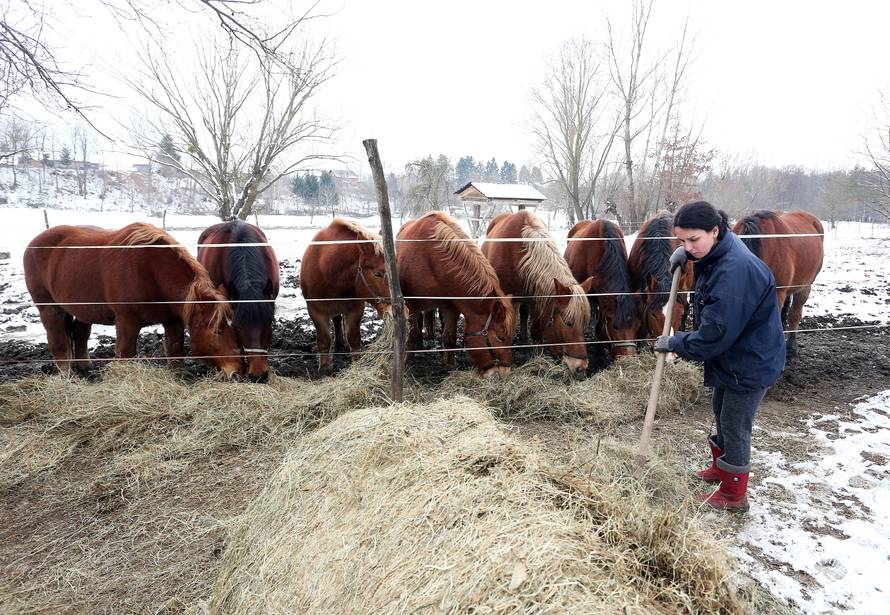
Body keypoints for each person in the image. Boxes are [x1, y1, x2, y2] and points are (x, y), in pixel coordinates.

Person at [654, 201, 785, 512]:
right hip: (734, 354)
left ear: (715, 230)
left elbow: (715, 334)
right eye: (681, 241)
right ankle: (722, 469)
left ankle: (734, 494)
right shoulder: (720, 248)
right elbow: (720, 331)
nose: (687, 247)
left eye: (693, 240)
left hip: (750, 359)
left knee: (735, 423)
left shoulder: (734, 273)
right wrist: (686, 254)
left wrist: (676, 342)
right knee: (720, 409)